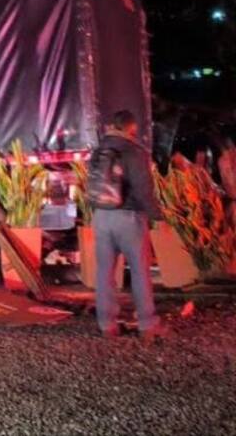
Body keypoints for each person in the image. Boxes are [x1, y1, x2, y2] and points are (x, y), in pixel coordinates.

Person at [94, 109, 167, 342]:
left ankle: (107, 325)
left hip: (101, 216)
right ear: (131, 128)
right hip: (129, 218)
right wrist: (158, 216)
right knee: (139, 270)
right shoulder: (134, 151)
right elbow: (144, 189)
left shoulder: (99, 150)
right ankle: (147, 325)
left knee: (105, 272)